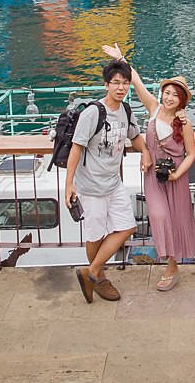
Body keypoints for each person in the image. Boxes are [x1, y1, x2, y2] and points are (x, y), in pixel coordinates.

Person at [102, 44, 195, 290]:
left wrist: (178, 173)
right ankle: (168, 258)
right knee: (159, 215)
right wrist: (122, 59)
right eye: (166, 92)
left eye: (174, 95)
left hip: (176, 175)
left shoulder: (184, 123)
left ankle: (172, 266)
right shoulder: (154, 108)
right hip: (153, 173)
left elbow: (192, 153)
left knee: (178, 219)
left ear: (181, 100)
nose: (168, 98)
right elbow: (136, 82)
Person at [66, 59, 152, 303]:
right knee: (95, 235)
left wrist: (145, 151)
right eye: (116, 83)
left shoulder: (125, 111)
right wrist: (68, 184)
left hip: (113, 184)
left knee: (127, 227)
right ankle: (99, 276)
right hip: (91, 187)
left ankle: (90, 272)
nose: (121, 88)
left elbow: (134, 136)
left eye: (125, 83)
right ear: (106, 85)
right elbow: (76, 148)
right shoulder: (93, 112)